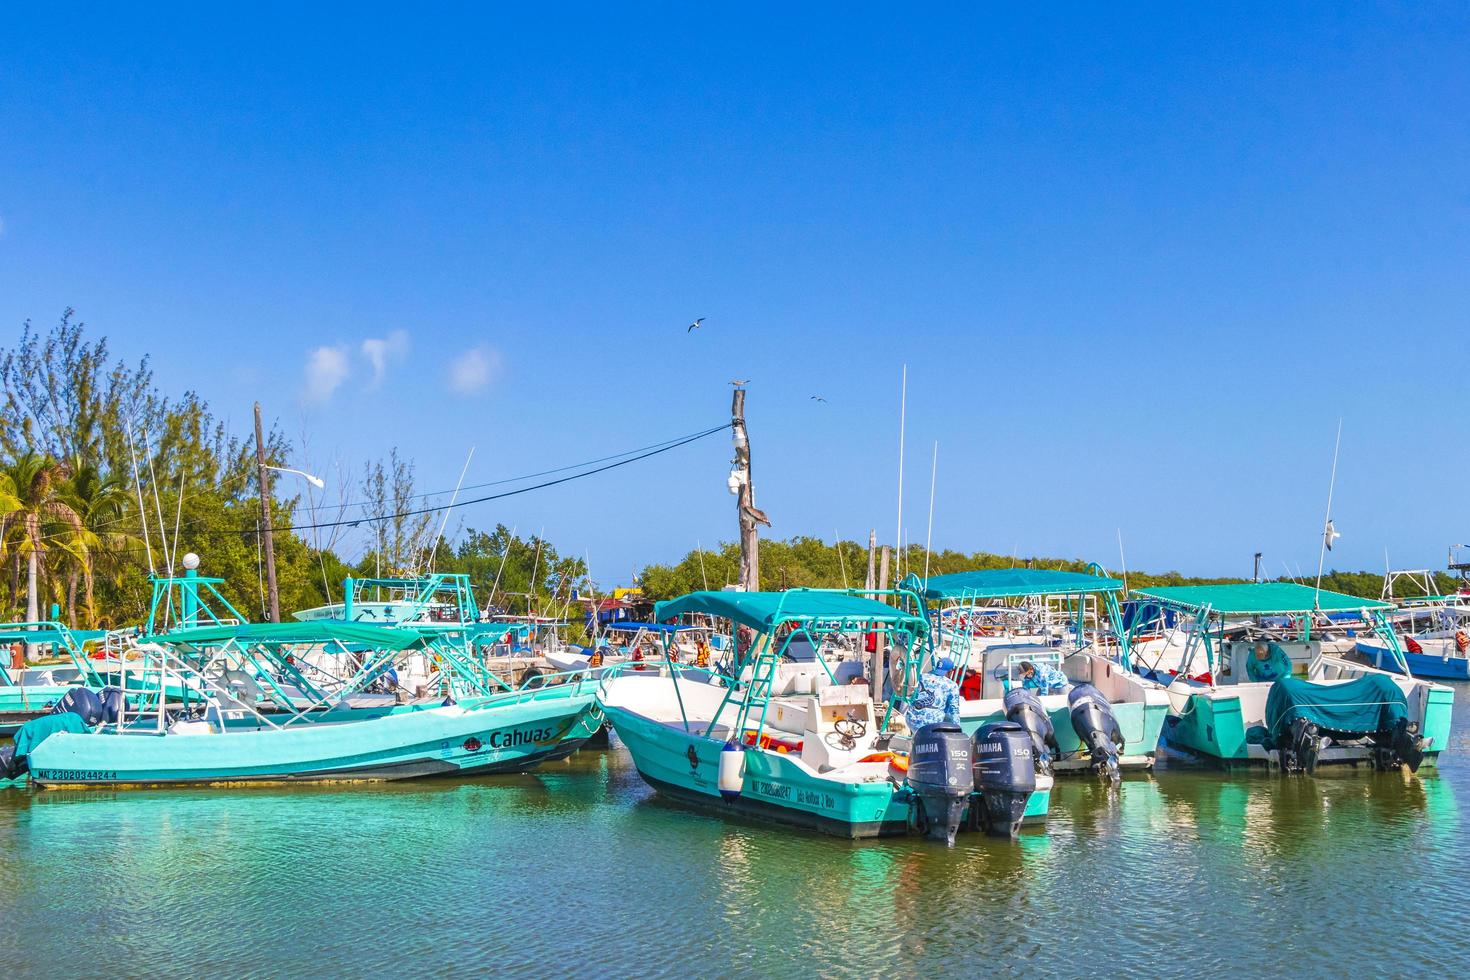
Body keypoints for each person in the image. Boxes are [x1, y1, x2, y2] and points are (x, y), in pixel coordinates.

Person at [903, 656, 962, 731]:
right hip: (932, 723)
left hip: (912, 720)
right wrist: (957, 729)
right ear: (950, 671)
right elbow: (954, 710)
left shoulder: (921, 677)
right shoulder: (951, 685)